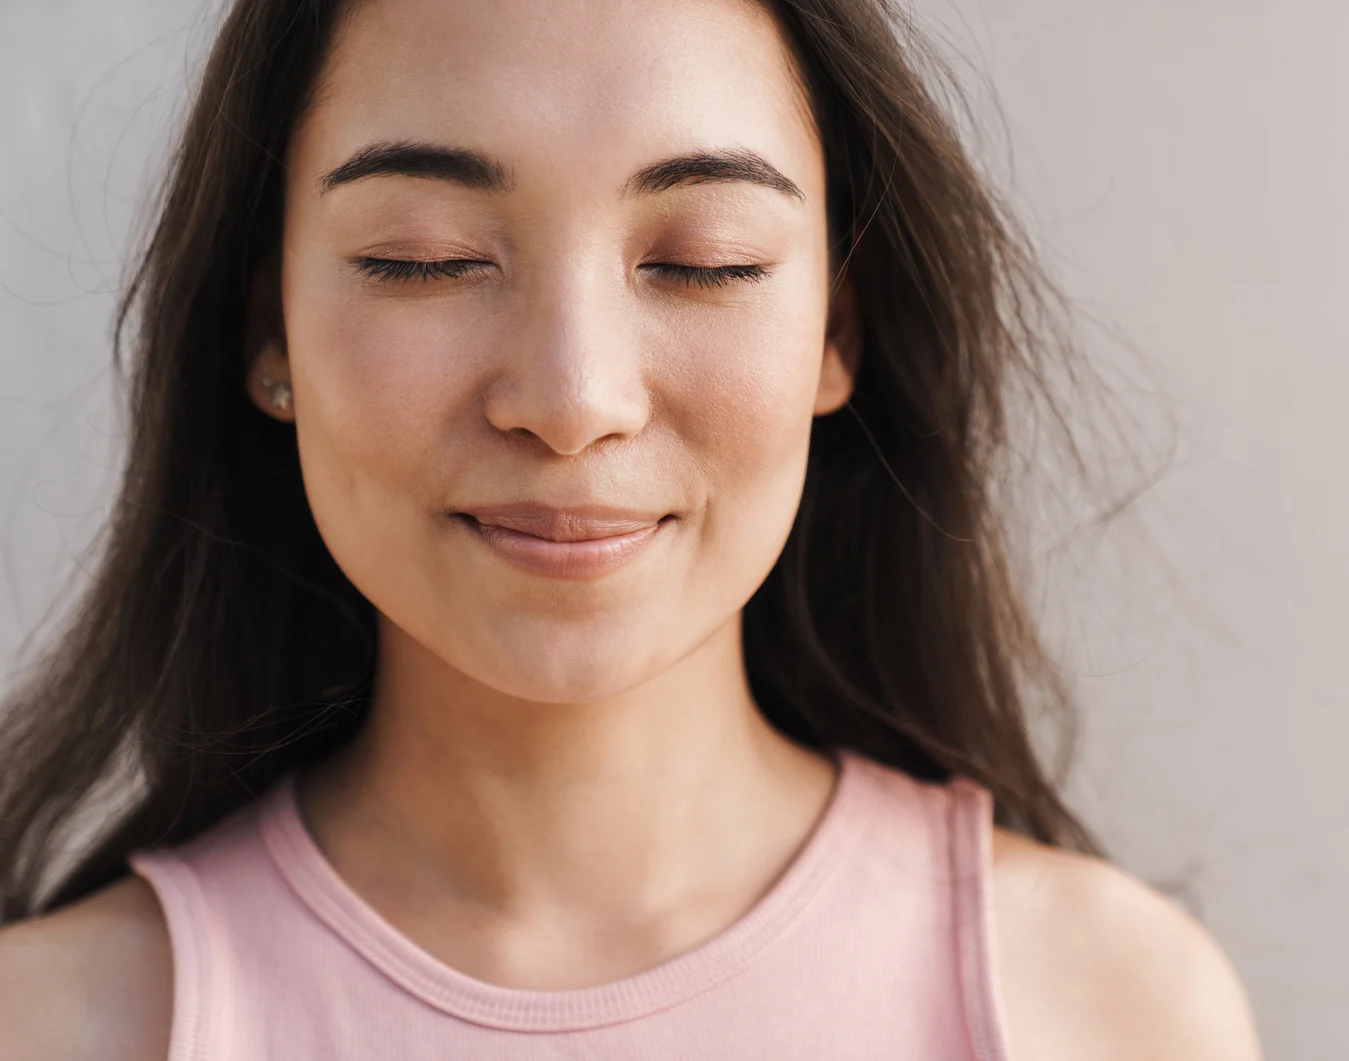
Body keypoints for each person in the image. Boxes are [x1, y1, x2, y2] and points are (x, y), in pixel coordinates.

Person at [0, 0, 1262, 1057]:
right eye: (426, 258)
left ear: (837, 328)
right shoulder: (62, 1022)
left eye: (704, 260)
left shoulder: (1105, 1009)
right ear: (266, 331)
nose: (572, 399)